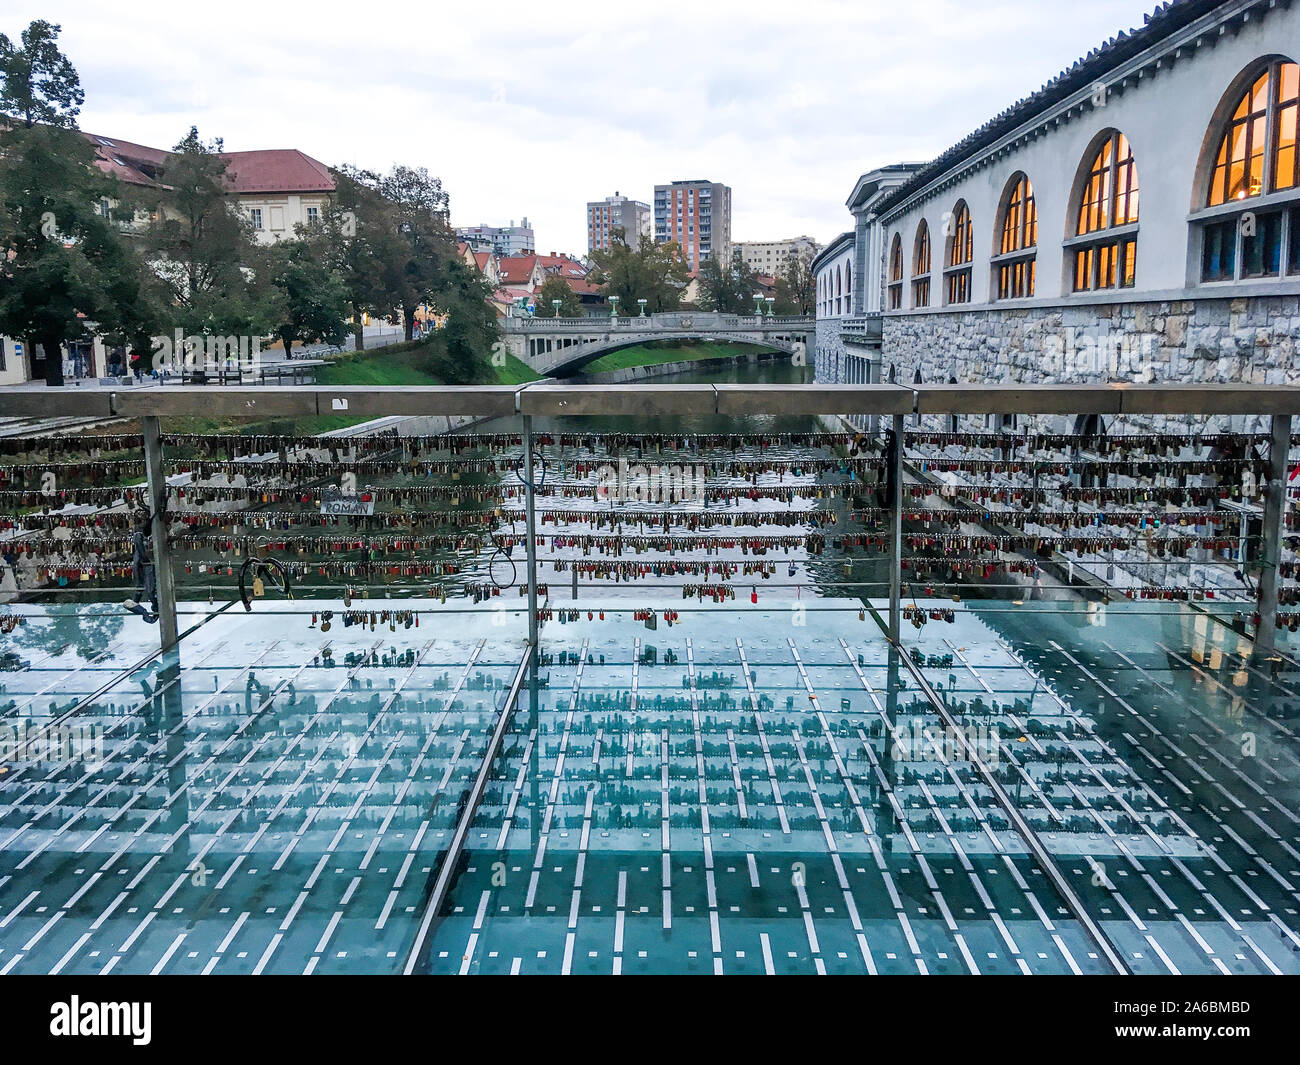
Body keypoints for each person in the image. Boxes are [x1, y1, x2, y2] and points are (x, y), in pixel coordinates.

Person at [123, 507, 159, 623]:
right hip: (144, 563)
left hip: (142, 563)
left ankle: (147, 610)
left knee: (144, 588)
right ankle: (150, 610)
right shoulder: (139, 535)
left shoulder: (139, 534)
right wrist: (146, 560)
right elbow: (140, 546)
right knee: (149, 590)